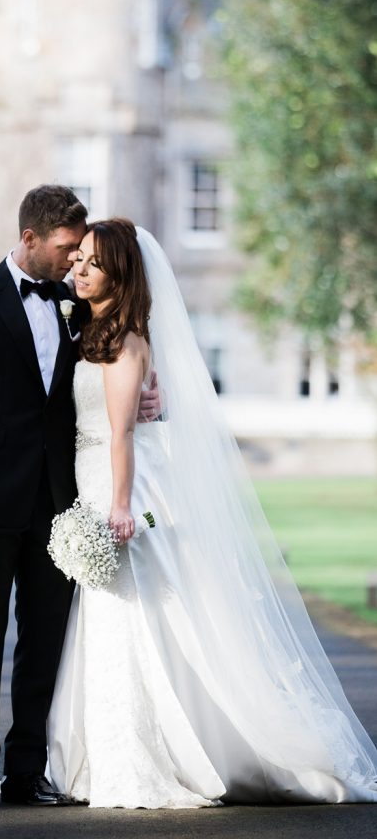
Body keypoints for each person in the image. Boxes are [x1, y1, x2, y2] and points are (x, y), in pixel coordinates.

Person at [47, 217, 377, 809]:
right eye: (78, 260)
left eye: (91, 262)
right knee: (117, 617)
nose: (78, 269)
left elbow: (121, 432)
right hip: (92, 478)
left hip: (121, 487)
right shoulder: (88, 329)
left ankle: (160, 753)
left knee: (139, 614)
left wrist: (119, 508)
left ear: (119, 274)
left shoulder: (125, 340)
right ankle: (109, 751)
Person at [0, 187, 162, 807]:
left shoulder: (73, 301)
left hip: (61, 504)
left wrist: (150, 390)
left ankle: (28, 767)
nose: (72, 262)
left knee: (46, 638)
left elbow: (116, 358)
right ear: (29, 238)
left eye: (78, 252)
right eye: (64, 250)